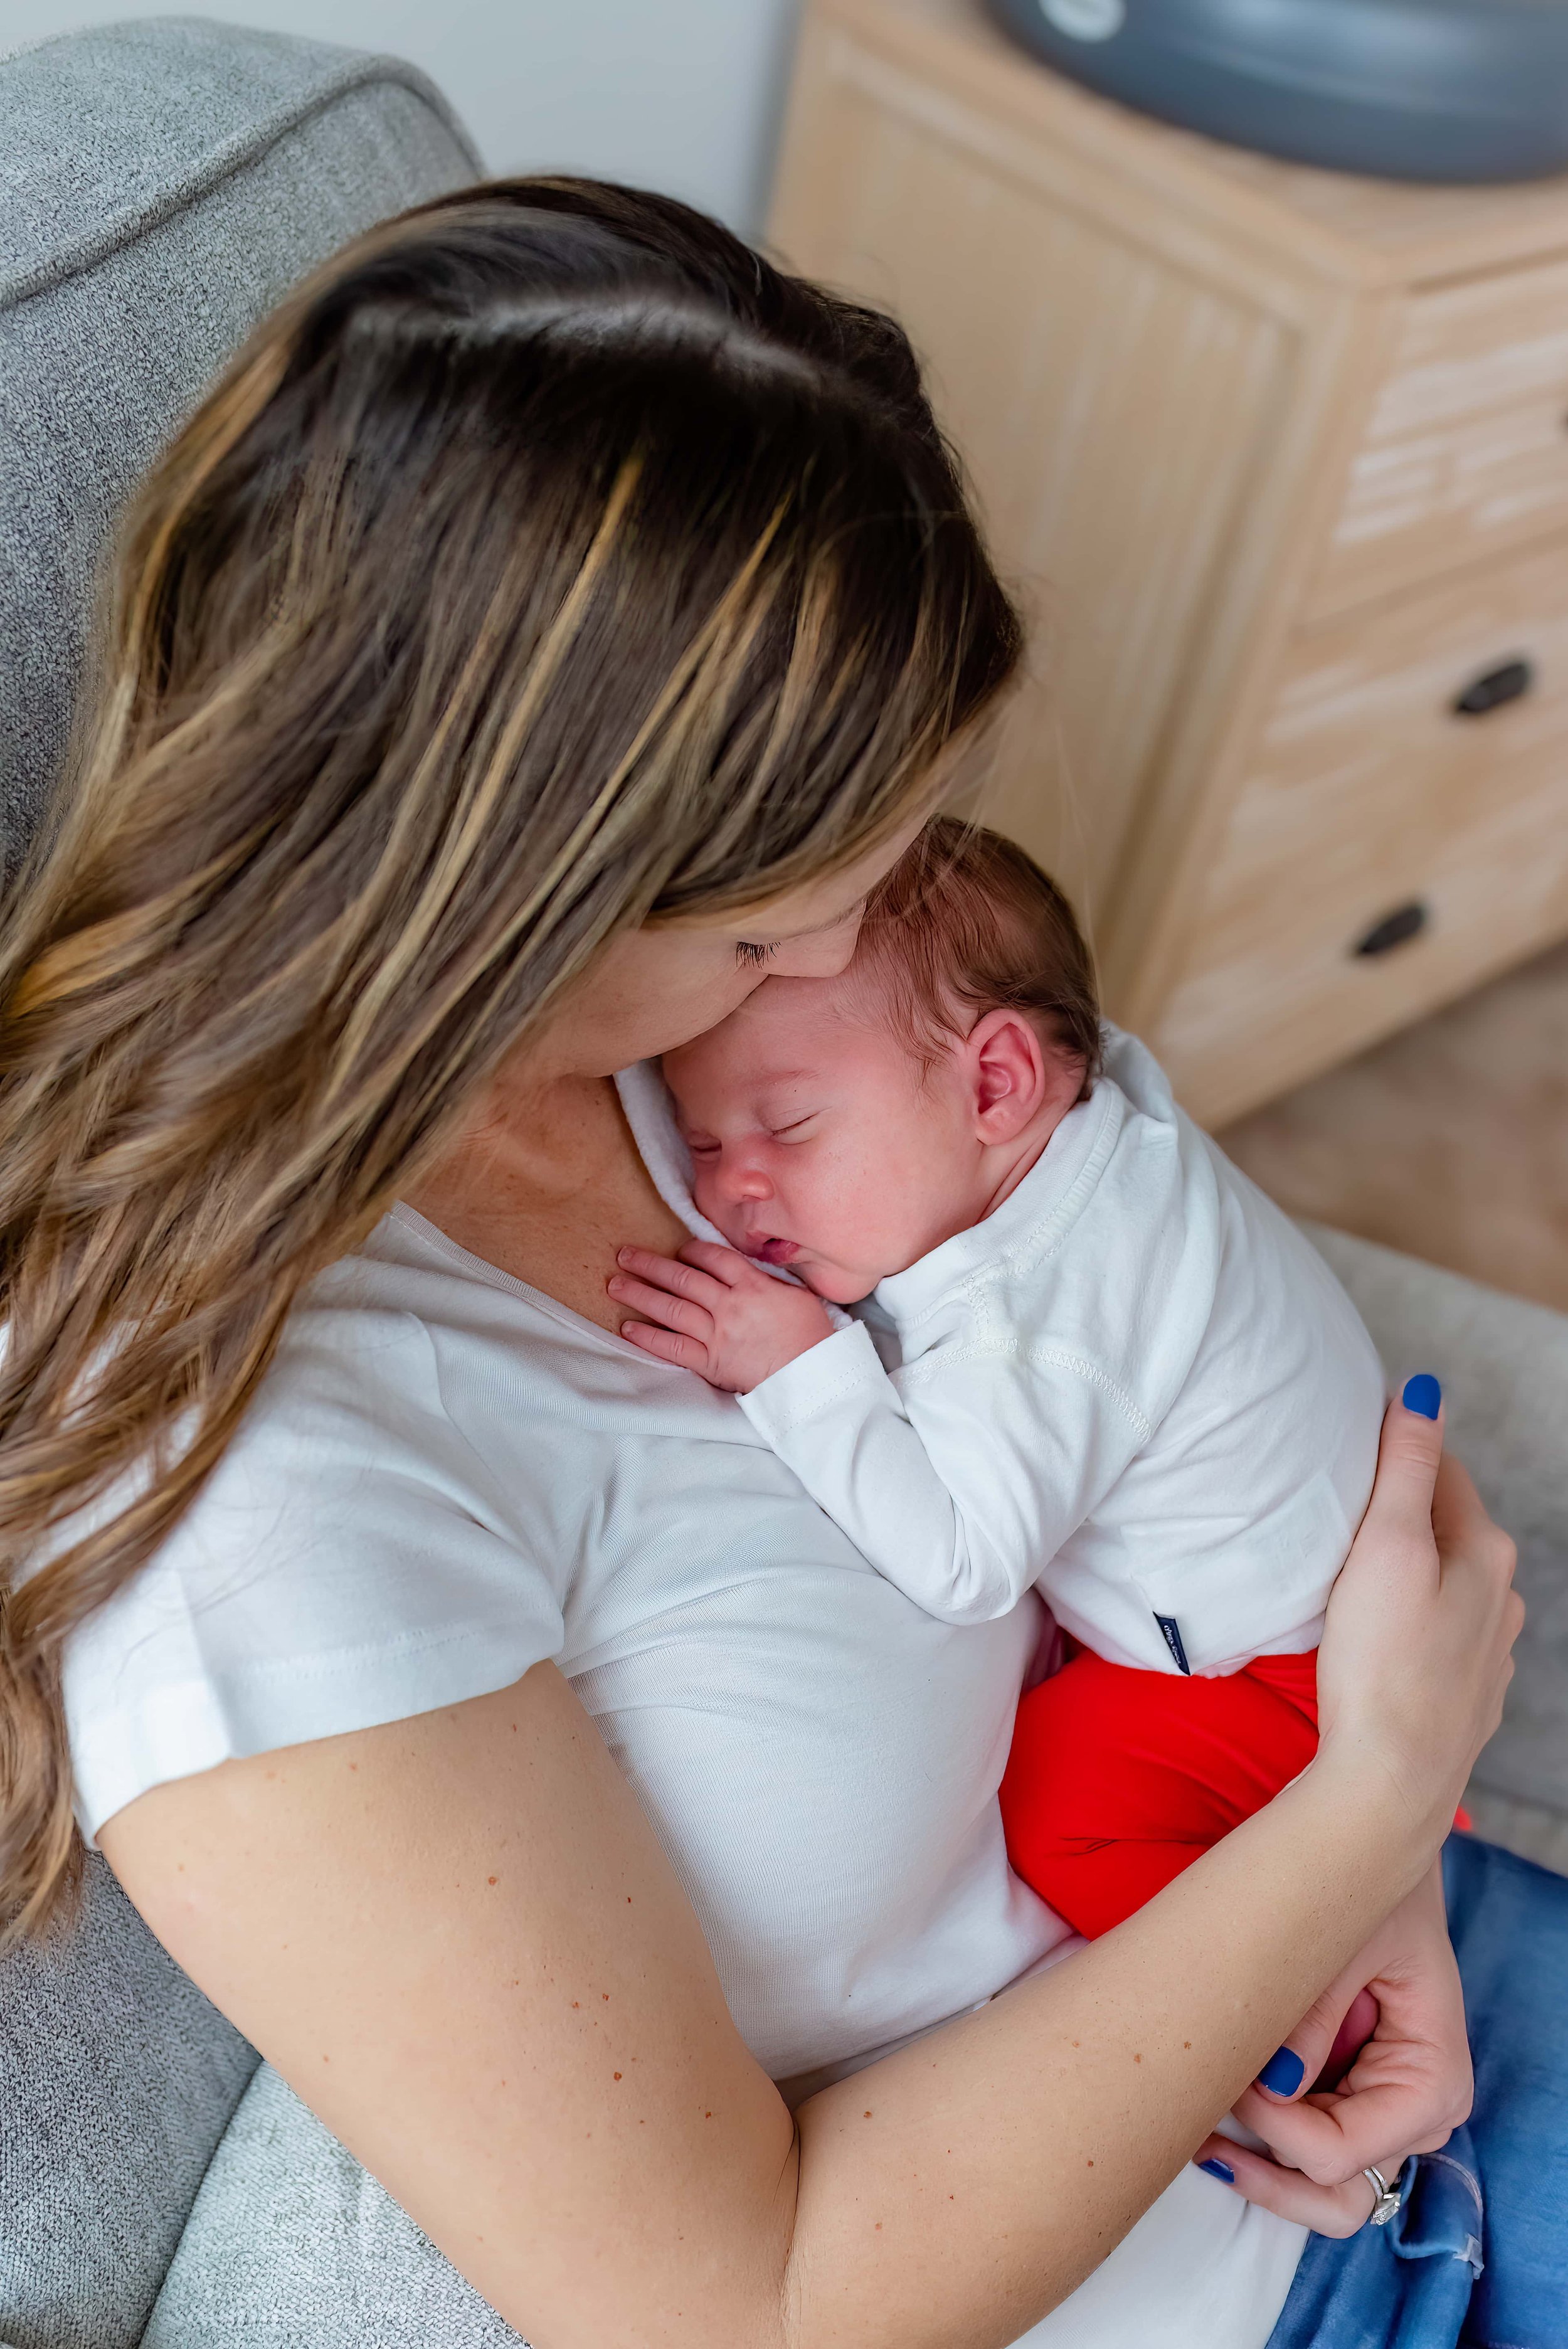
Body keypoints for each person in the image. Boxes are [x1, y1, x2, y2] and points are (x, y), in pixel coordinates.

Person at [0, 176, 1553, 2349]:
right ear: (506, 885)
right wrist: (1374, 1788)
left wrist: (1378, 1864)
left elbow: (1133, 1287)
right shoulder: (267, 1511)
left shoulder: (691, 1050)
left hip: (1335, 1945)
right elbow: (741, 2310)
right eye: (760, 920)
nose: (834, 959)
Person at [618, 817, 1386, 1940]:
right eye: (701, 1141)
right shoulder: (1090, 1127)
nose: (735, 1188)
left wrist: (801, 1365)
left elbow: (965, 1560)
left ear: (999, 1083)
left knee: (1065, 1802)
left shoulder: (1049, 1326)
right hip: (1333, 1599)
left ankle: (1297, 2006)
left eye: (787, 1124)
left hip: (1292, 1684)